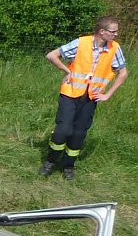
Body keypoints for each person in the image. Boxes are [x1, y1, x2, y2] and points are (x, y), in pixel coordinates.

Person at [41, 16, 128, 180]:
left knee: (79, 133)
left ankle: (68, 166)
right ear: (102, 32)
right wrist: (68, 72)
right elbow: (52, 55)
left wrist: (107, 95)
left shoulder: (114, 48)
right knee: (63, 130)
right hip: (70, 93)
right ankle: (50, 162)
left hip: (91, 97)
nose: (116, 34)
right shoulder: (81, 43)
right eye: (113, 31)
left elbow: (123, 73)